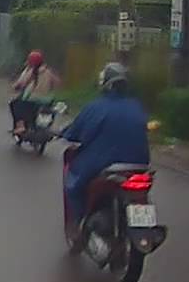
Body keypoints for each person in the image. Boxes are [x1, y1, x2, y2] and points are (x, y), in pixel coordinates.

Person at [60, 63, 151, 235]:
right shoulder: (136, 106)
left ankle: (78, 223)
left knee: (74, 183)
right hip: (140, 164)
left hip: (103, 162)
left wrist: (64, 133)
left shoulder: (95, 107)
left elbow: (75, 132)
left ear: (105, 84)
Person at [10, 50, 60, 134]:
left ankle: (20, 126)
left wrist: (15, 87)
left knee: (15, 104)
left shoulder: (33, 71)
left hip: (34, 100)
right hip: (48, 101)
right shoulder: (49, 71)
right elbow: (57, 84)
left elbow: (22, 83)